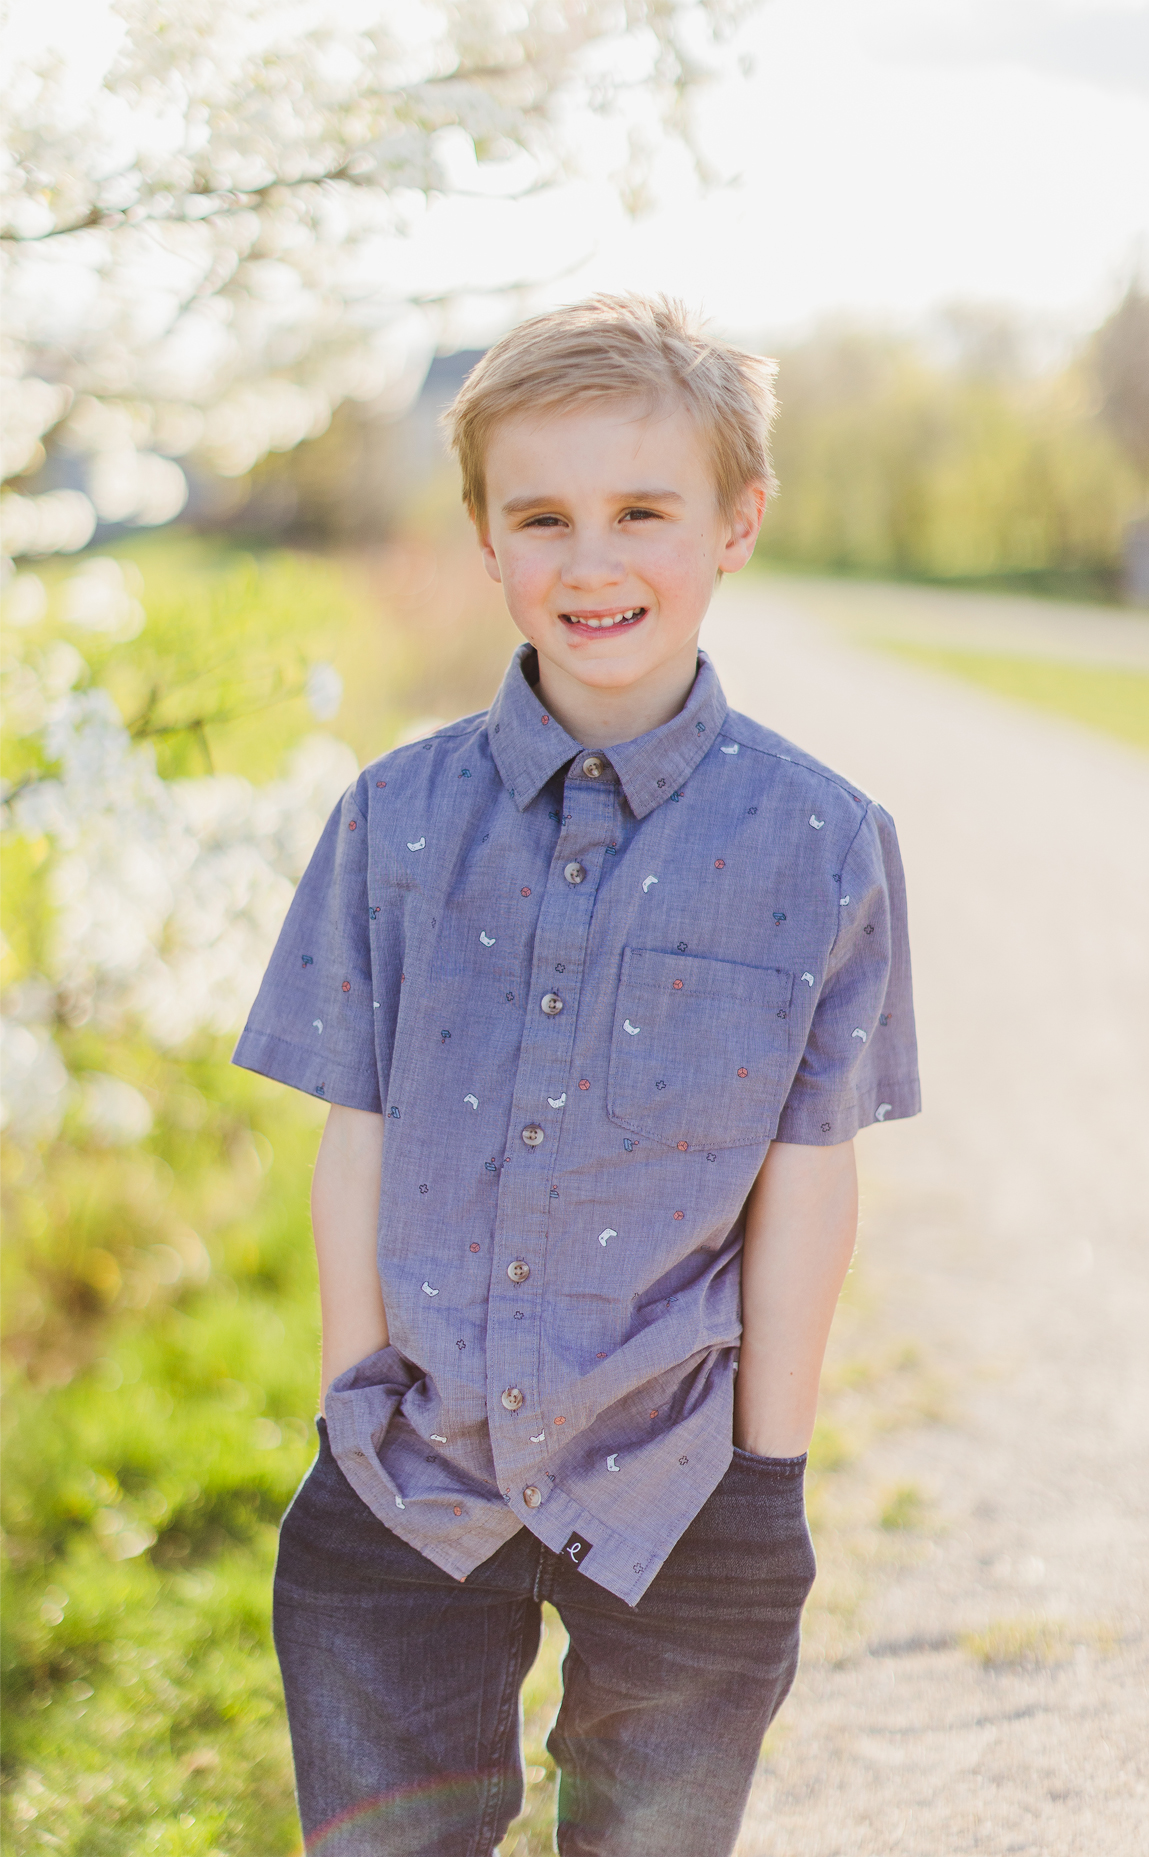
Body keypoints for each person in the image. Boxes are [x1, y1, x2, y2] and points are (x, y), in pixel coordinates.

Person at [234, 294, 921, 1851]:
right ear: (484, 538)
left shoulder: (823, 843)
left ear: (737, 524)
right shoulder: (393, 822)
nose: (591, 561)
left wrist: (771, 1470)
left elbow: (810, 1170)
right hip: (411, 1471)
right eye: (541, 516)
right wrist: (353, 1408)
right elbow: (362, 1127)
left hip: (684, 1479)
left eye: (641, 512)